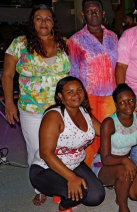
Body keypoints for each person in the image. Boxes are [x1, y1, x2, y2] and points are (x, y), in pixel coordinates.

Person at [2, 4, 70, 205]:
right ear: (32, 22)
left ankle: (59, 183)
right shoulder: (20, 44)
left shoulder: (63, 43)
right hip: (32, 110)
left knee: (61, 148)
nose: (43, 23)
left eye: (48, 18)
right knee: (36, 150)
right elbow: (7, 74)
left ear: (53, 22)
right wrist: (9, 102)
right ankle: (39, 187)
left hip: (60, 109)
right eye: (38, 18)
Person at [29, 77, 105, 212]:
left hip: (75, 164)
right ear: (60, 96)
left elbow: (104, 130)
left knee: (96, 197)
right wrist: (71, 177)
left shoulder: (84, 111)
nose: (76, 94)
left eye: (79, 90)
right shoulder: (54, 116)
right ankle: (63, 207)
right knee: (76, 193)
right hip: (46, 168)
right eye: (69, 92)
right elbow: (46, 154)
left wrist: (124, 116)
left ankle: (62, 190)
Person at [68, 0, 118, 167]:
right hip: (88, 95)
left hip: (111, 95)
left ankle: (106, 170)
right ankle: (88, 171)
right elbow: (73, 71)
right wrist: (76, 99)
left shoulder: (113, 36)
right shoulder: (75, 40)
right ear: (83, 14)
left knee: (109, 135)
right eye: (89, 11)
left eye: (96, 10)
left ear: (103, 13)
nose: (93, 14)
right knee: (88, 135)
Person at [91, 84, 137, 212]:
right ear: (116, 105)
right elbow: (105, 158)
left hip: (124, 162)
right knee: (124, 171)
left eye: (131, 100)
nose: (128, 105)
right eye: (122, 102)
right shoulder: (109, 123)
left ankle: (120, 186)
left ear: (135, 99)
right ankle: (123, 207)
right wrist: (125, 160)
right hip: (103, 164)